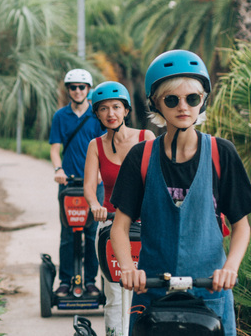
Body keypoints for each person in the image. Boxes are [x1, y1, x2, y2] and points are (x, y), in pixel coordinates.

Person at [109, 50, 251, 336]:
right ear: (156, 103)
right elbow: (120, 227)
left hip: (210, 293)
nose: (183, 107)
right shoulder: (140, 157)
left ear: (202, 101)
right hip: (152, 292)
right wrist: (129, 268)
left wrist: (230, 268)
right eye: (171, 99)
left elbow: (241, 226)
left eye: (192, 98)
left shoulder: (221, 153)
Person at [83, 81, 155, 336]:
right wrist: (95, 206)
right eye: (103, 108)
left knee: (147, 288)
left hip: (146, 226)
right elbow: (90, 187)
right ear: (97, 114)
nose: (110, 113)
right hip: (110, 225)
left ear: (126, 110)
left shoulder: (146, 138)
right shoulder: (95, 145)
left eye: (115, 107)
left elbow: (157, 181)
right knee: (114, 293)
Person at [49, 68, 104, 297]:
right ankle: (65, 281)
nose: (78, 91)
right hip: (69, 184)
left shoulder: (97, 115)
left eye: (82, 87)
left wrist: (101, 173)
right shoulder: (60, 116)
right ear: (68, 90)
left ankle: (90, 281)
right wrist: (58, 169)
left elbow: (105, 146)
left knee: (91, 234)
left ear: (88, 89)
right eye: (73, 87)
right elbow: (54, 149)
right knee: (67, 234)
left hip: (94, 184)